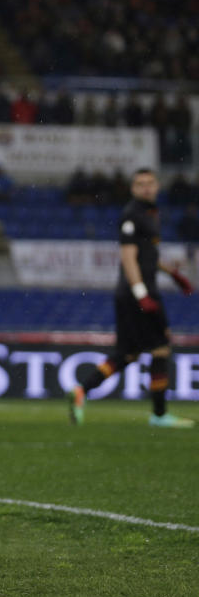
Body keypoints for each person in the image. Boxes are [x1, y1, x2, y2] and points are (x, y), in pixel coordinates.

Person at [66, 169, 194, 428]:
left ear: (157, 186)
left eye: (150, 183)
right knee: (160, 347)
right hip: (138, 292)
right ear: (133, 188)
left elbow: (147, 255)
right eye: (140, 184)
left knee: (128, 353)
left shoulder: (148, 214)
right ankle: (159, 415)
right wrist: (141, 294)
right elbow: (128, 257)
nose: (146, 188)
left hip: (132, 293)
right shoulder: (132, 215)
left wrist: (173, 274)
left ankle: (82, 390)